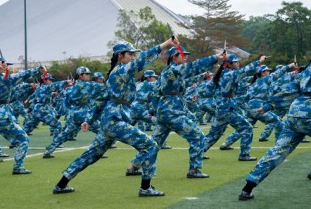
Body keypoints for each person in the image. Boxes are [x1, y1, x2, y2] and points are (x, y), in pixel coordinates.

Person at [52, 38, 178, 197]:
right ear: (120, 55)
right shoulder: (120, 71)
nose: (132, 57)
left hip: (110, 120)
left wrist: (89, 120)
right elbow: (141, 62)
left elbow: (102, 100)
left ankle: (61, 184)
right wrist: (165, 45)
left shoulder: (117, 74)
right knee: (151, 145)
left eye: (133, 54)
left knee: (91, 154)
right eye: (130, 54)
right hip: (114, 120)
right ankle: (146, 188)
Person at [238, 61, 310, 201]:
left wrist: (268, 105)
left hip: (296, 113)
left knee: (278, 150)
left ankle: (248, 188)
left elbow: (289, 91)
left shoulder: (307, 69)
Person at [150, 46, 222, 178]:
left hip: (165, 111)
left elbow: (187, 79)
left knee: (154, 143)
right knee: (198, 136)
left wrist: (203, 74)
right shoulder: (173, 69)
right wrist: (214, 58)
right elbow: (192, 67)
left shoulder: (171, 72)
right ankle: (194, 170)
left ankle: (134, 166)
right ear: (174, 57)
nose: (186, 57)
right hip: (173, 112)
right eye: (182, 55)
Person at [204, 54, 267, 161]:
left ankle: (198, 151)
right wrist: (259, 61)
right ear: (229, 64)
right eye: (235, 62)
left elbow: (208, 89)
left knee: (214, 134)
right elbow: (245, 70)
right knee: (247, 128)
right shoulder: (230, 74)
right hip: (227, 108)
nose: (238, 63)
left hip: (221, 107)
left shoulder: (220, 74)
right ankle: (244, 155)